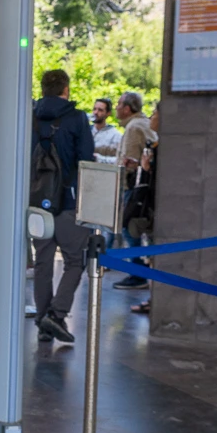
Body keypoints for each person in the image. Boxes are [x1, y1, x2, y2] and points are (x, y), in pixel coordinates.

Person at [30, 69, 95, 344]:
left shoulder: (29, 116)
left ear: (43, 89)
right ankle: (56, 316)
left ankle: (44, 325)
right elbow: (87, 159)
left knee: (43, 264)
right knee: (74, 261)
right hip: (69, 202)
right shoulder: (77, 118)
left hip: (37, 204)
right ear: (65, 89)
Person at [110, 93, 153, 290]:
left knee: (129, 229)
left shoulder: (133, 127)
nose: (116, 107)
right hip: (144, 187)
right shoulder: (143, 124)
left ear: (127, 108)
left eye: (119, 104)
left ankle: (137, 273)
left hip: (133, 188)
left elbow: (126, 162)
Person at [90, 98, 121, 164]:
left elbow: (119, 160)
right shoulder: (85, 131)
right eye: (94, 109)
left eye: (100, 110)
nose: (96, 112)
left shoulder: (115, 135)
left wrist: (99, 159)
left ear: (108, 113)